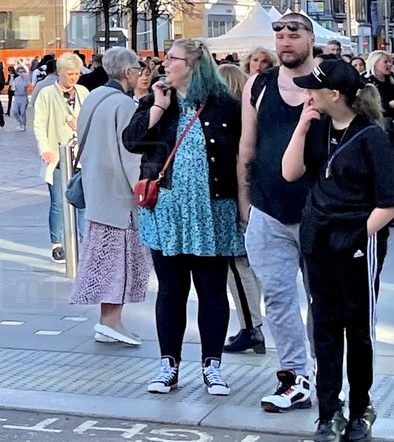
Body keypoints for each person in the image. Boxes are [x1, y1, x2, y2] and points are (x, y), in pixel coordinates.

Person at [282, 58, 394, 442]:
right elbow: (290, 172)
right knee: (325, 328)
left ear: (334, 94)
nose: (307, 94)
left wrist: (357, 235)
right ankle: (328, 411)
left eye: (313, 89)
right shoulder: (318, 128)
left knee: (358, 330)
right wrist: (301, 127)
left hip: (356, 244)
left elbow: (390, 202)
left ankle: (361, 407)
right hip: (319, 240)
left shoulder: (372, 137)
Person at [123, 38, 241, 397]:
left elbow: (242, 155)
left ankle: (212, 365)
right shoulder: (159, 100)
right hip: (167, 210)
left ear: (193, 65)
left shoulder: (225, 105)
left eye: (172, 58)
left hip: (212, 211)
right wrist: (157, 108)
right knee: (171, 290)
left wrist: (245, 206)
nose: (164, 64)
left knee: (212, 290)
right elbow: (131, 141)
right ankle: (168, 364)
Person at [238, 12, 319, 412]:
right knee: (278, 297)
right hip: (269, 209)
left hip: (321, 212)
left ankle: (327, 373)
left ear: (310, 38)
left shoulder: (330, 81)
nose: (285, 40)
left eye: (294, 33)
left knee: (323, 300)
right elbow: (247, 146)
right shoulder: (259, 84)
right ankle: (294, 377)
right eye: (279, 33)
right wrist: (245, 202)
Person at [69, 48, 149, 346]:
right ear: (127, 72)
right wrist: (142, 190)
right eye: (137, 67)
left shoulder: (94, 97)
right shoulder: (124, 105)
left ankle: (109, 322)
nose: (140, 72)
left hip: (97, 191)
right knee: (120, 263)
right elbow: (131, 155)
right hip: (119, 198)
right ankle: (111, 322)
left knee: (105, 260)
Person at [217, 63, 266, 355]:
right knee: (245, 265)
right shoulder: (249, 117)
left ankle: (251, 327)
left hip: (237, 199)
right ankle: (251, 324)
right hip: (251, 198)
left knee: (238, 265)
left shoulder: (231, 119)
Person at [33, 53, 89, 263]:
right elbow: (39, 124)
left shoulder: (83, 92)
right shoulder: (47, 94)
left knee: (83, 201)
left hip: (80, 156)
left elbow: (90, 119)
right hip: (57, 155)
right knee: (58, 201)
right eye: (69, 74)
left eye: (77, 74)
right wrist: (45, 149)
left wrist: (79, 125)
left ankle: (86, 242)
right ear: (59, 72)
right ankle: (57, 244)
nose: (74, 78)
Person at [10, 65, 32, 131]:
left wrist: (24, 77)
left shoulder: (26, 78)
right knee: (14, 111)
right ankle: (20, 123)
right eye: (20, 72)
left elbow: (26, 85)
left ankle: (23, 125)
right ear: (18, 72)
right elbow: (12, 88)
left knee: (22, 112)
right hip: (17, 97)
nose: (22, 73)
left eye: (23, 71)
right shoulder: (16, 79)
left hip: (23, 97)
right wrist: (12, 78)